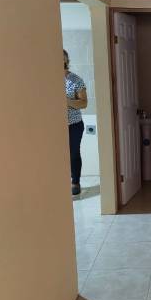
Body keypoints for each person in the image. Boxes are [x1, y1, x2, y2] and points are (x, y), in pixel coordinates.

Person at [64, 49, 88, 196]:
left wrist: (66, 100)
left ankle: (75, 182)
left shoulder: (75, 80)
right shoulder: (47, 79)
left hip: (74, 125)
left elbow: (84, 103)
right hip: (53, 126)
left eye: (62, 58)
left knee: (73, 153)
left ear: (66, 60)